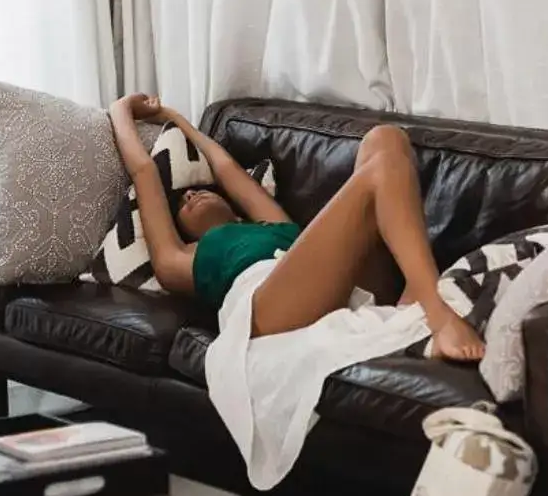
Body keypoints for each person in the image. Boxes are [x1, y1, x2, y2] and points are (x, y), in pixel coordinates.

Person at [107, 95, 485, 362]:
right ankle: (432, 304)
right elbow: (145, 172)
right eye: (182, 207)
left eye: (198, 191)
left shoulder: (272, 225)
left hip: (335, 287)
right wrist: (121, 110)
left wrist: (177, 118)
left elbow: (225, 169)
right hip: (267, 310)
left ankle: (415, 290)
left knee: (385, 138)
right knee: (380, 170)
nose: (189, 196)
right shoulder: (181, 259)